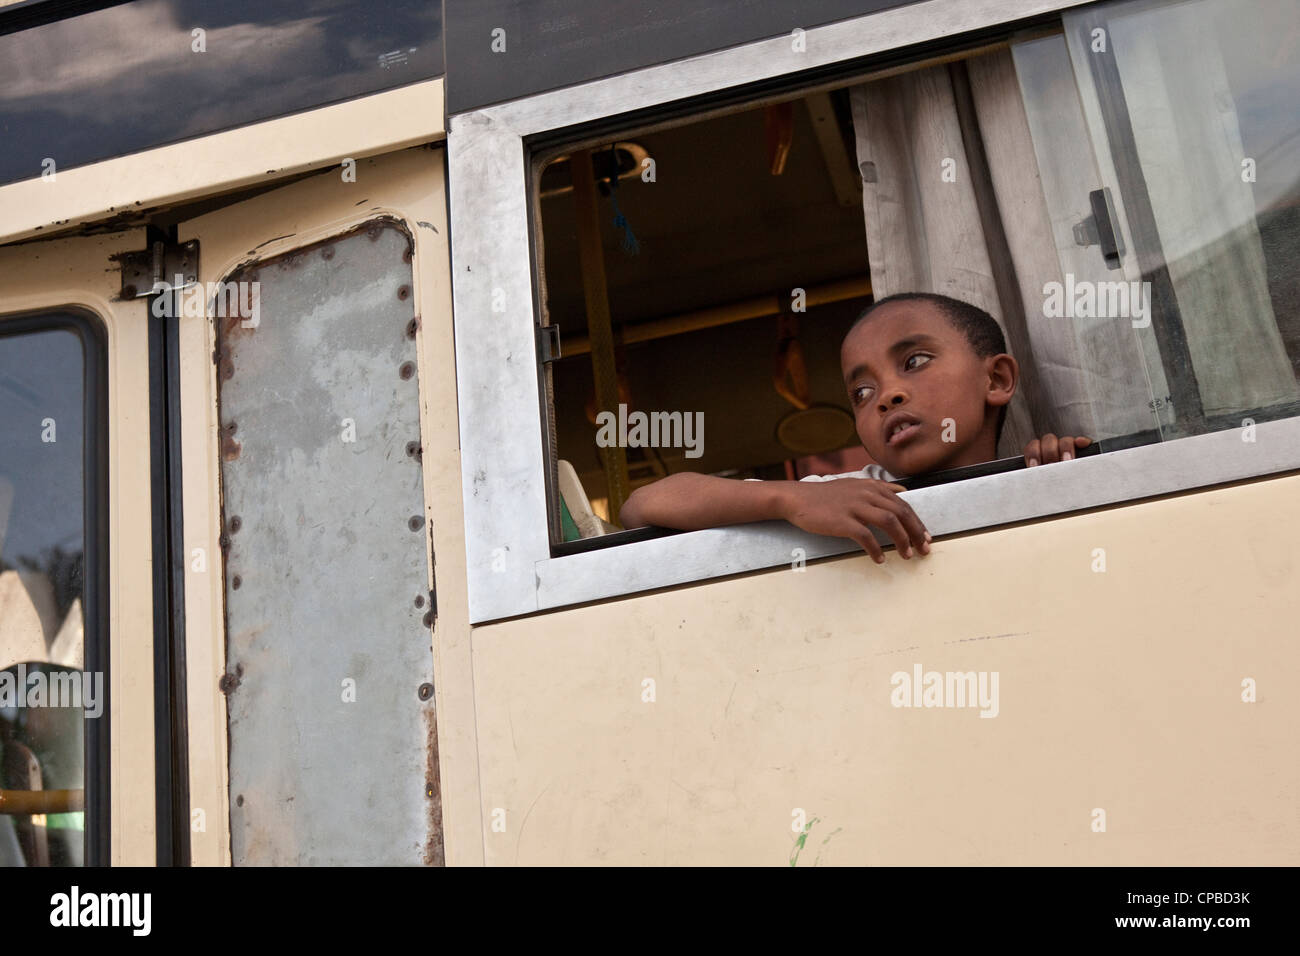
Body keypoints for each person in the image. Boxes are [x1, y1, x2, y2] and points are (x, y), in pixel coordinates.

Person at [619, 292, 1090, 563]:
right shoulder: (851, 495)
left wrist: (1057, 476)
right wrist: (792, 498)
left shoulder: (1028, 474)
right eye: (862, 393)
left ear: (996, 378)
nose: (887, 395)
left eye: (915, 361)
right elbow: (644, 506)